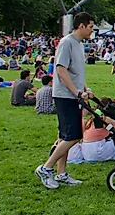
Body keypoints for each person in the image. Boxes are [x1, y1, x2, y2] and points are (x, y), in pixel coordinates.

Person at [34, 12, 94, 189]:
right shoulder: (66, 42)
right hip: (64, 95)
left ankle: (61, 173)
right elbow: (61, 70)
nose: (92, 31)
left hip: (73, 94)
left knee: (63, 136)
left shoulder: (79, 45)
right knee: (74, 135)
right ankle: (46, 168)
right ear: (81, 26)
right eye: (90, 27)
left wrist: (84, 88)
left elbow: (75, 72)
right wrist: (76, 92)